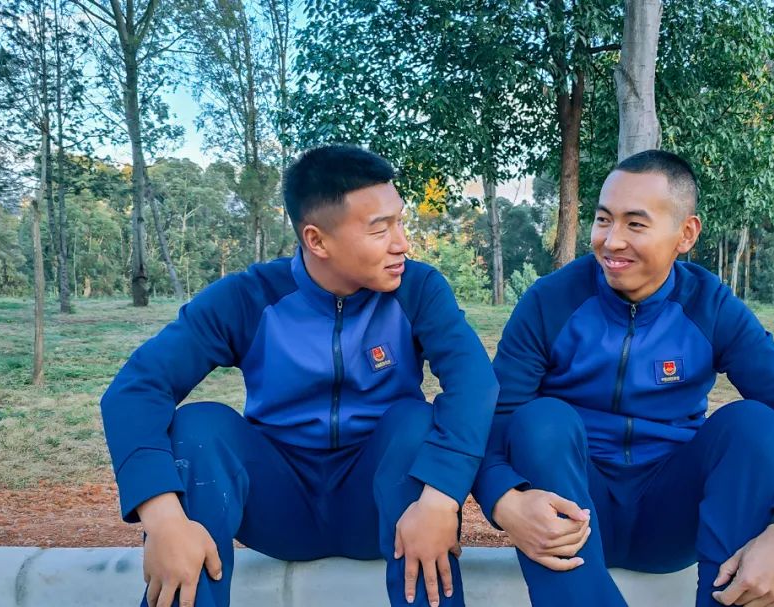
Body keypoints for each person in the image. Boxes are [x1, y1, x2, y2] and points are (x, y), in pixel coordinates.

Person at [101, 145, 498, 607]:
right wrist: (163, 517)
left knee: (412, 421)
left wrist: (440, 498)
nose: (402, 243)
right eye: (380, 229)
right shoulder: (250, 298)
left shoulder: (418, 289)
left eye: (400, 222)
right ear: (317, 240)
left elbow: (474, 383)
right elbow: (135, 390)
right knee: (200, 428)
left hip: (379, 505)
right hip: (278, 506)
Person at [472, 149, 774, 607]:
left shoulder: (709, 306)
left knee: (757, 426)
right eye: (603, 220)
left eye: (635, 224)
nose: (612, 241)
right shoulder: (551, 301)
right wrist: (503, 499)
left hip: (672, 516)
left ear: (686, 234)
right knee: (539, 421)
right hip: (574, 509)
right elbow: (492, 420)